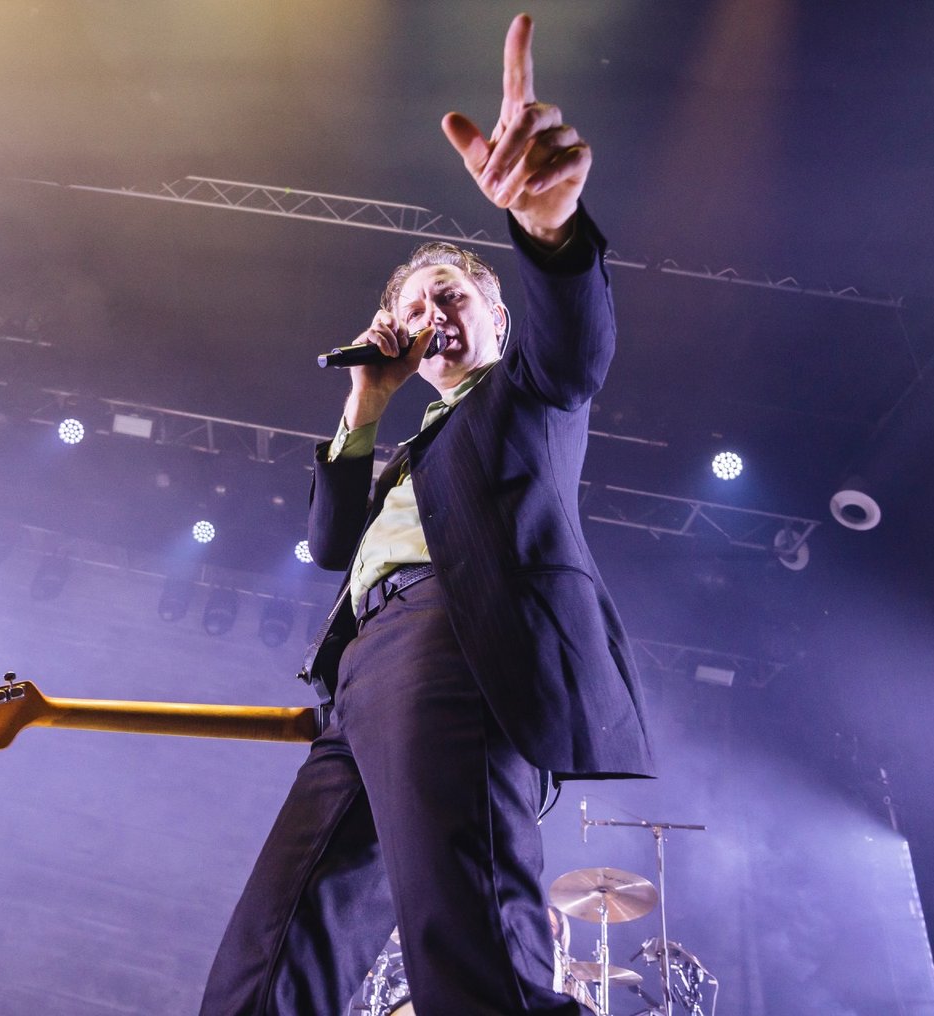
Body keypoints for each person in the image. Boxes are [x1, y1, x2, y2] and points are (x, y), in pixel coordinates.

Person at [201, 14, 653, 1015]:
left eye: (448, 293)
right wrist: (364, 405)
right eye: (411, 305)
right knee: (269, 957)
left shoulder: (522, 396)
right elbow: (327, 546)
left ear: (495, 316)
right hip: (359, 676)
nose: (428, 314)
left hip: (461, 646)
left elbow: (571, 346)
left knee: (470, 953)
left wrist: (546, 230)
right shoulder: (414, 449)